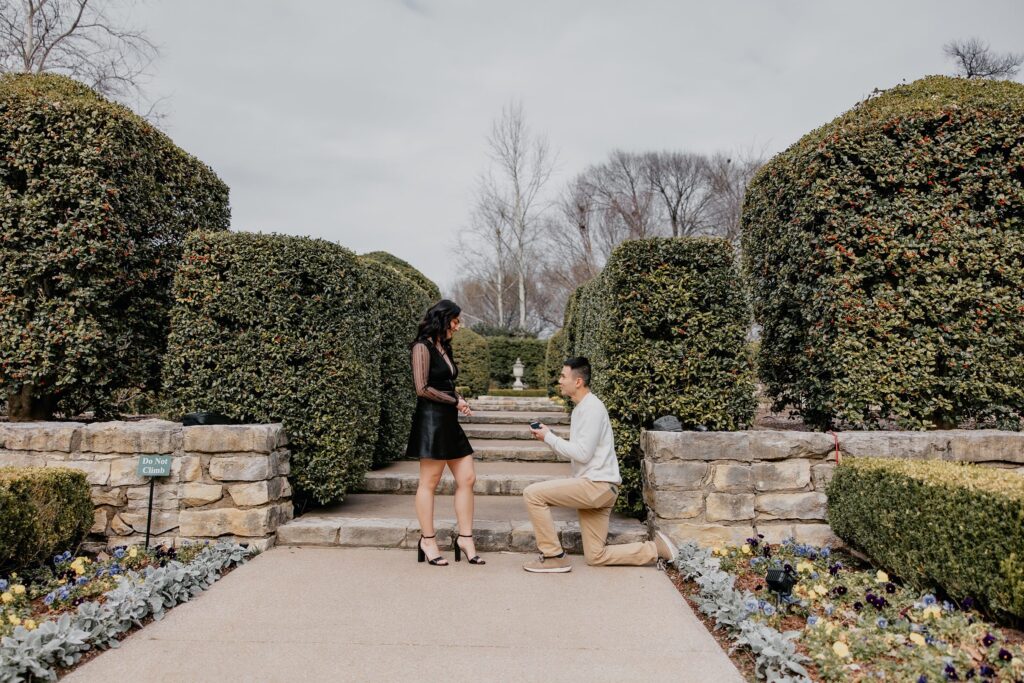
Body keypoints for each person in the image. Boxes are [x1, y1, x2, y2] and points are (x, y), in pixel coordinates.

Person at [522, 357, 677, 573]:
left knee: (533, 494)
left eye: (563, 376)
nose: (559, 381)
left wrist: (549, 437)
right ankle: (655, 549)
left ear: (578, 381)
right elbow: (580, 451)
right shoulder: (581, 409)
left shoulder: (592, 408)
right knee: (596, 556)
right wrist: (549, 436)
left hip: (597, 485)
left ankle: (553, 556)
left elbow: (582, 454)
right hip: (600, 486)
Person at [405, 299, 485, 566]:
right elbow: (422, 388)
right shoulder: (421, 347)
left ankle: (465, 538)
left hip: (449, 421)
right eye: (455, 321)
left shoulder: (443, 346)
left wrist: (458, 398)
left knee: (468, 478)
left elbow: (446, 383)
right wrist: (454, 401)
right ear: (443, 319)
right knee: (429, 482)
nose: (458, 326)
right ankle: (427, 540)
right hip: (431, 423)